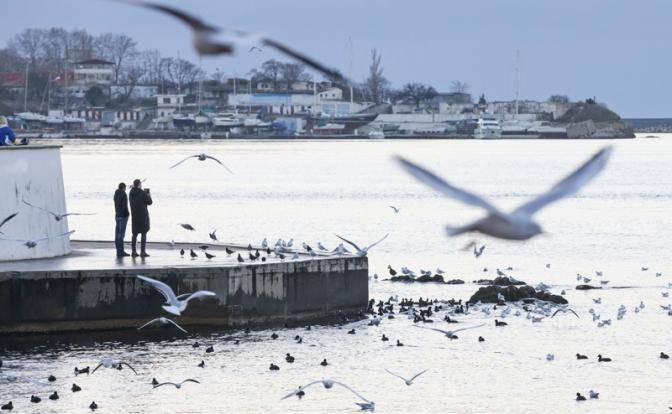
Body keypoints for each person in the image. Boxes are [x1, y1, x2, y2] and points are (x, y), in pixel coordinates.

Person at [129, 179, 153, 258]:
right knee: (144, 233)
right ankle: (142, 252)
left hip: (134, 215)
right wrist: (148, 194)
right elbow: (149, 202)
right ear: (139, 184)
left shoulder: (131, 193)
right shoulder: (142, 193)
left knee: (134, 234)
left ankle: (133, 251)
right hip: (143, 215)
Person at [113, 182, 130, 258]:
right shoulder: (124, 194)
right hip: (123, 216)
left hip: (117, 215)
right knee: (121, 235)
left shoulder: (116, 194)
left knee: (117, 235)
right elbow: (124, 206)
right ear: (123, 188)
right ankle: (121, 252)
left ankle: (118, 251)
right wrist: (127, 214)